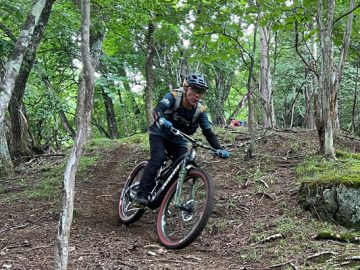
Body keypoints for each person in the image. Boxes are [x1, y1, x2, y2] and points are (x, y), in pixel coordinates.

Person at [133, 73, 230, 206]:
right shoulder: (174, 96)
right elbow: (158, 109)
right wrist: (160, 119)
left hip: (178, 140)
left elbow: (208, 132)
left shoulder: (200, 110)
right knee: (158, 158)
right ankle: (142, 193)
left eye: (200, 92)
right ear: (185, 89)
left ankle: (160, 194)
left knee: (182, 166)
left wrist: (219, 148)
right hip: (159, 133)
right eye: (194, 90)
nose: (197, 95)